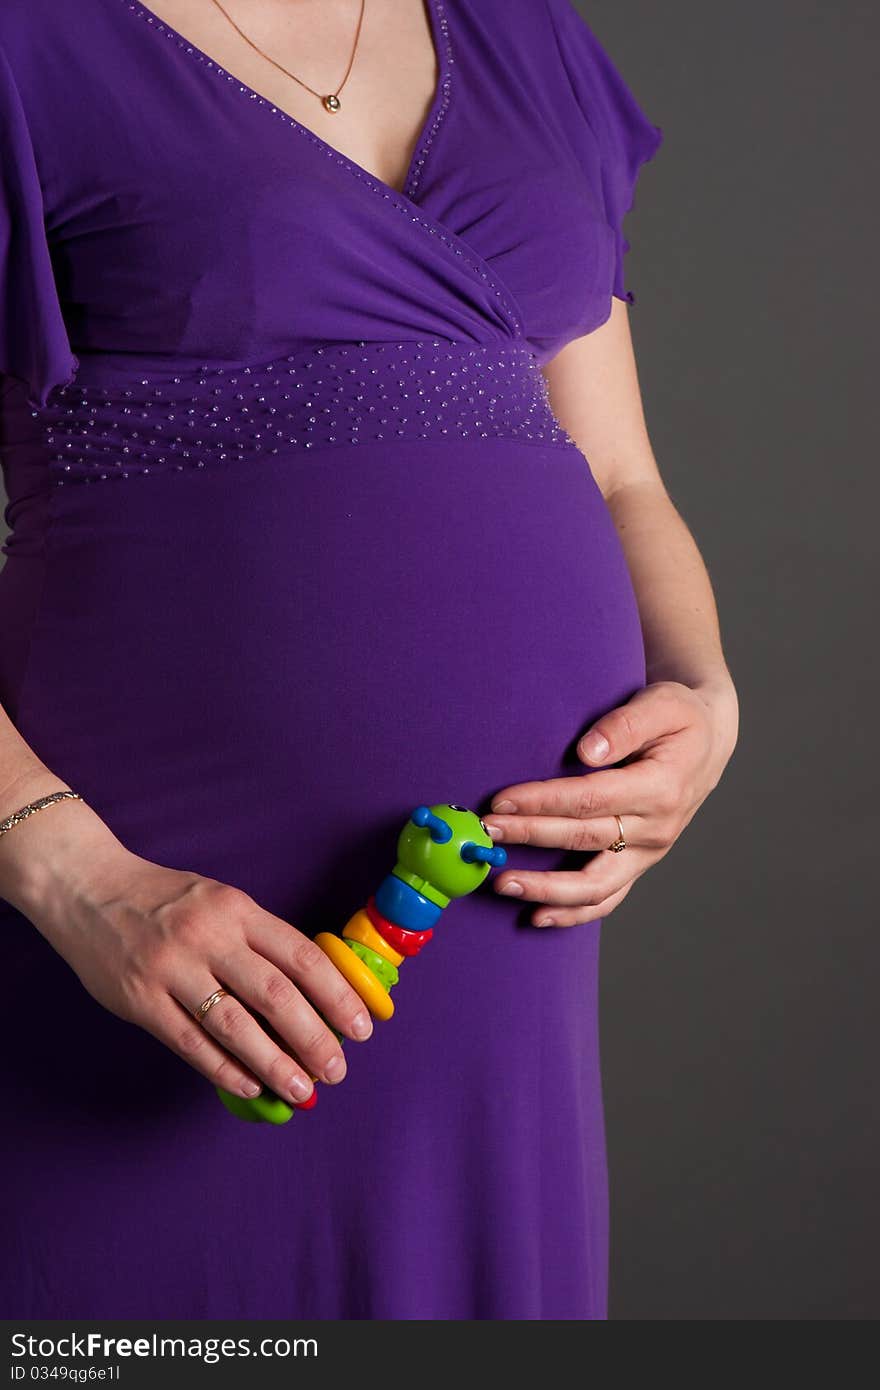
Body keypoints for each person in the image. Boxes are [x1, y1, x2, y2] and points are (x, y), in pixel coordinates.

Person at [0, 0, 738, 1320]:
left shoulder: (526, 35)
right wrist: (63, 864)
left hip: (497, 921)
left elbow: (622, 475)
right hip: (146, 896)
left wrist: (704, 692)